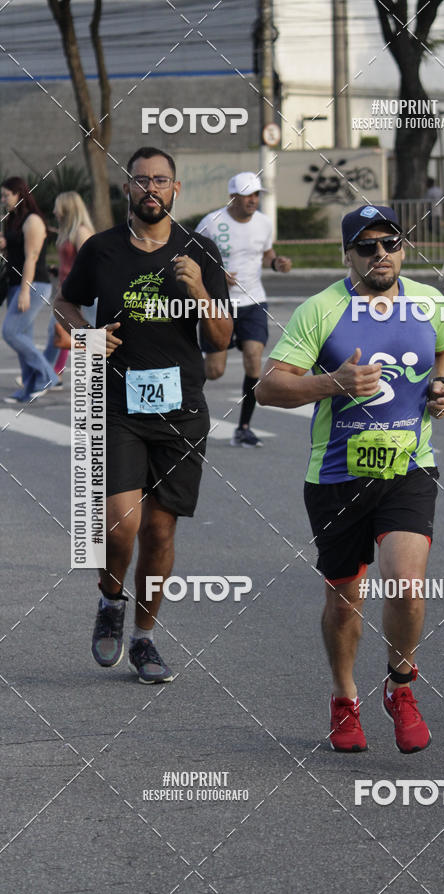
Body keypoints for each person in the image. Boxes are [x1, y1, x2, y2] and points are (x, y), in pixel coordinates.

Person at [256, 204, 444, 753]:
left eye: (390, 243)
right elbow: (268, 387)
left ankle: (400, 684)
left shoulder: (427, 301)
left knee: (406, 585)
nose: (380, 254)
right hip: (336, 478)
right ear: (348, 254)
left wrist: (441, 385)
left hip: (409, 467)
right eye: (366, 246)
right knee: (345, 599)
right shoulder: (321, 310)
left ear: (403, 248)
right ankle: (345, 698)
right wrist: (334, 383)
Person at [54, 146, 231, 683]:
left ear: (176, 189)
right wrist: (86, 334)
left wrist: (198, 289)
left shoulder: (200, 251)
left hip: (181, 409)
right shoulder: (102, 249)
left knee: (158, 532)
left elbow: (221, 337)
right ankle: (111, 598)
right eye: (141, 179)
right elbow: (65, 301)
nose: (150, 188)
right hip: (117, 403)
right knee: (120, 525)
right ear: (127, 188)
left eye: (160, 180)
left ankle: (145, 638)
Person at [195, 172, 292, 447]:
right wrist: (216, 274)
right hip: (219, 304)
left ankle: (243, 427)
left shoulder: (264, 223)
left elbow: (267, 253)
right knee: (214, 371)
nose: (253, 200)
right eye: (247, 195)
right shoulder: (212, 222)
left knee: (254, 357)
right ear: (233, 197)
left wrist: (277, 263)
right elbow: (191, 257)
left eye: (256, 195)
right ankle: (184, 385)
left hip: (253, 302)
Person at [0, 176, 59, 402]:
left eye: (6, 195)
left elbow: (32, 258)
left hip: (34, 285)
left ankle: (48, 375)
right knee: (22, 336)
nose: (3, 199)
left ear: (19, 194)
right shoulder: (14, 219)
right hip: (15, 284)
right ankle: (27, 390)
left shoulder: (33, 220)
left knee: (11, 332)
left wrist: (25, 292)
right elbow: (16, 250)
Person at [44, 191, 95, 385]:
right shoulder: (67, 231)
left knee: (59, 333)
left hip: (76, 296)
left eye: (57, 207)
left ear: (68, 208)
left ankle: (45, 374)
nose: (54, 211)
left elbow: (90, 264)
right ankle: (50, 374)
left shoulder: (81, 232)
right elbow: (71, 264)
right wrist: (58, 271)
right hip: (64, 293)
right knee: (60, 334)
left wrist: (79, 291)